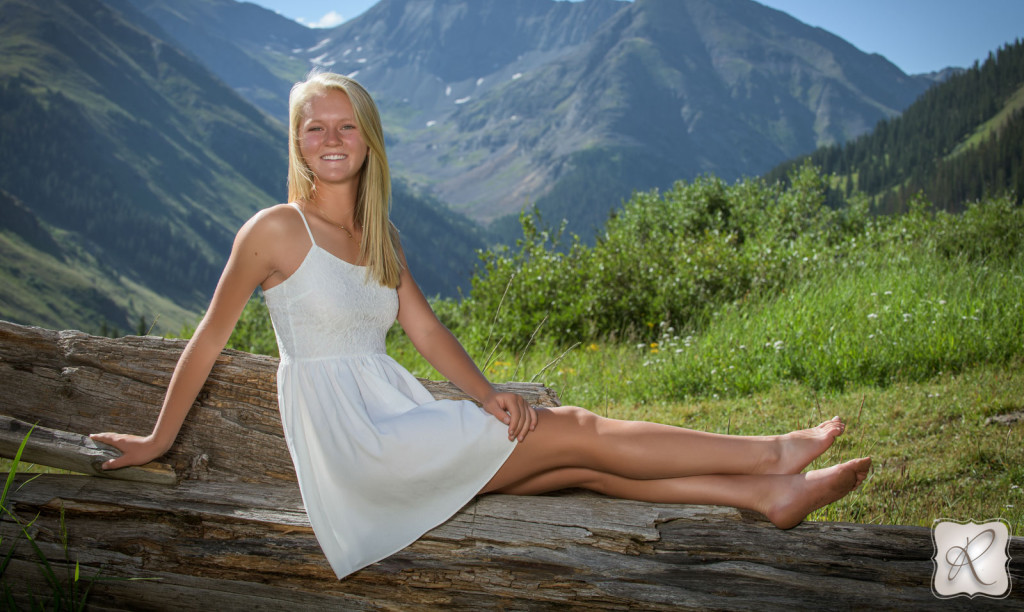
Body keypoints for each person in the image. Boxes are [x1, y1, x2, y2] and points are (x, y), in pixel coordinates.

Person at [91, 71, 871, 580]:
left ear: (369, 141)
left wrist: (489, 395)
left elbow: (427, 334)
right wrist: (159, 438)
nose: (331, 140)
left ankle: (768, 497)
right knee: (576, 428)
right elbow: (208, 337)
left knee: (576, 469)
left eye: (346, 127)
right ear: (295, 142)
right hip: (359, 449)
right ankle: (772, 451)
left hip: (398, 420)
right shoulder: (273, 229)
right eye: (314, 128)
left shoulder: (379, 236)